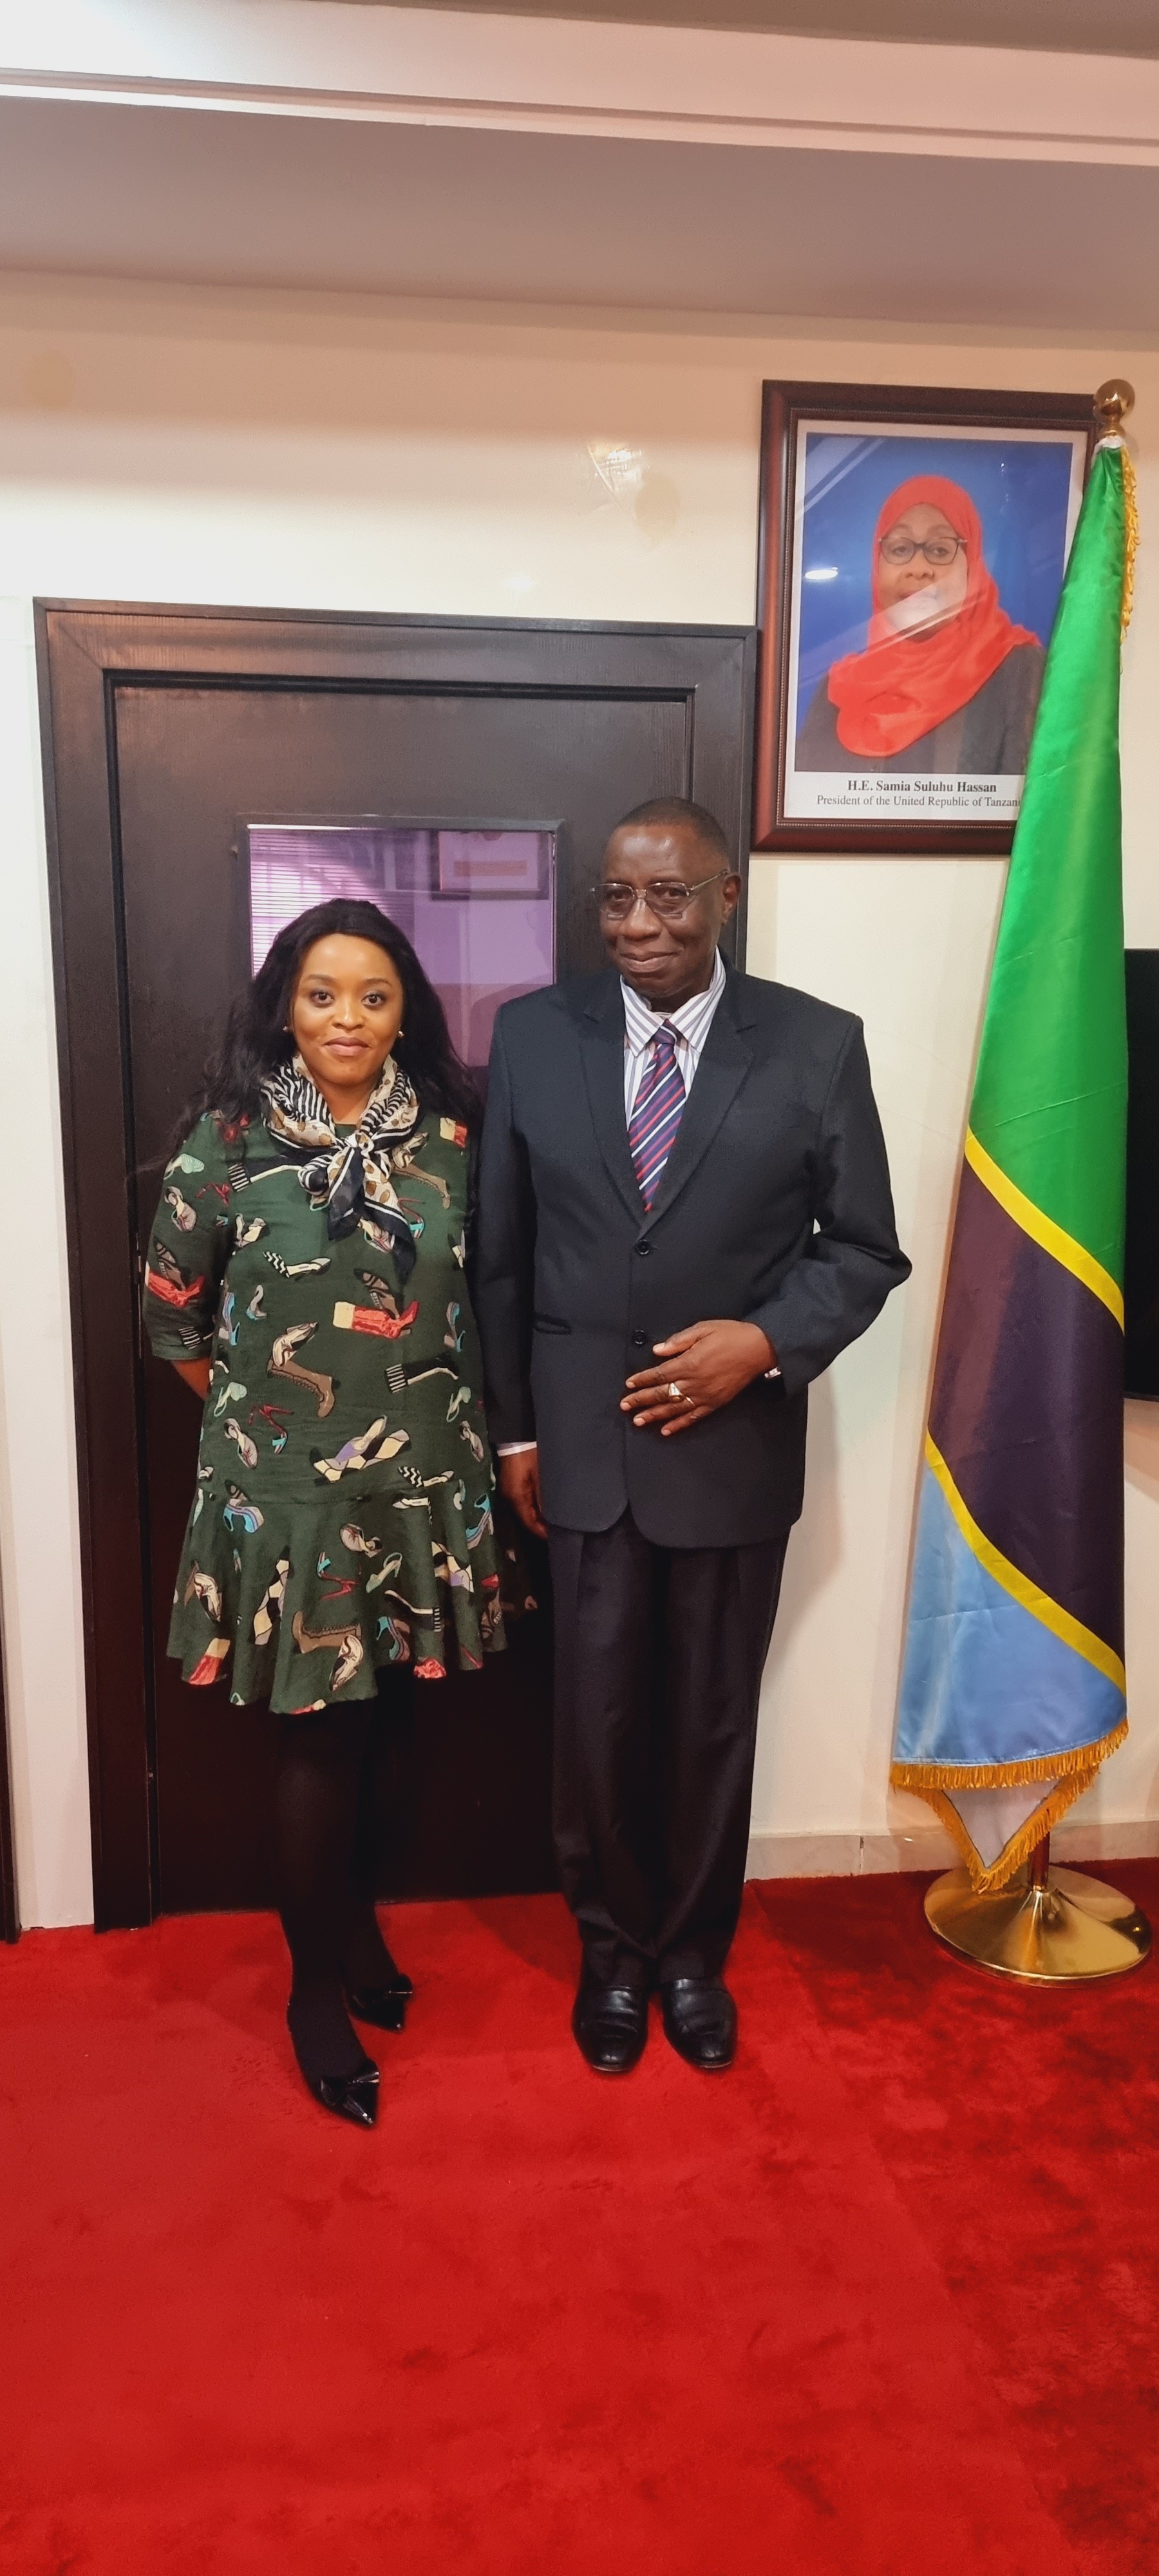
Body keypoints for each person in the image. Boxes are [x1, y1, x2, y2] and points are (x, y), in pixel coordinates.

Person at [476, 798, 910, 2076]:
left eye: (669, 896)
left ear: (726, 896)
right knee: (596, 1720)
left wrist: (762, 1343)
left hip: (734, 1452)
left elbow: (864, 1250)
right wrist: (514, 1435)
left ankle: (689, 1958)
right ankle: (612, 1955)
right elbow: (499, 1256)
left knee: (714, 1722)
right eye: (617, 896)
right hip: (583, 1449)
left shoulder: (817, 1044)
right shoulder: (532, 1036)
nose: (638, 924)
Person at [143, 898, 508, 2128]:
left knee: (385, 1723)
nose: (346, 1018)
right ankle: (312, 1994)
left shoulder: (455, 1145)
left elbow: (492, 1299)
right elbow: (173, 1319)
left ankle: (355, 1937)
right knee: (317, 1738)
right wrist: (269, 1430)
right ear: (285, 1008)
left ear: (406, 1014)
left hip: (422, 1482)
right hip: (291, 1495)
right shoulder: (229, 1143)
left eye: (373, 996)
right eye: (321, 994)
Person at [796, 473, 1045, 775]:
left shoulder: (1019, 670)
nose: (918, 569)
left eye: (940, 550)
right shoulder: (836, 691)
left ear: (972, 567)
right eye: (900, 549)